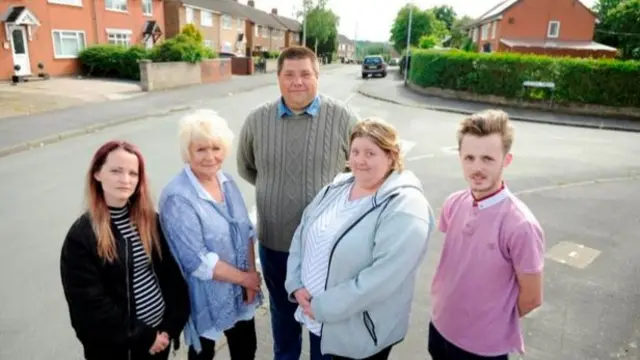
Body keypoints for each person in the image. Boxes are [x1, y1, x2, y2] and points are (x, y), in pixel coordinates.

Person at [237, 45, 359, 360]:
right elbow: (248, 168)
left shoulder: (343, 118)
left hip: (327, 248)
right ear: (278, 78)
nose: (297, 82)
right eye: (289, 74)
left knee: (323, 322)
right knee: (283, 321)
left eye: (305, 74)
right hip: (275, 244)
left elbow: (359, 172)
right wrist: (277, 190)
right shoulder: (257, 120)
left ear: (318, 76)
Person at [285, 118, 435, 360]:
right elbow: (303, 233)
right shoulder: (337, 187)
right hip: (317, 320)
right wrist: (295, 283)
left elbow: (383, 278)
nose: (360, 160)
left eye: (370, 153)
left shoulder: (406, 206)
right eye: (355, 151)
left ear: (391, 156)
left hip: (358, 334)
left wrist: (323, 307)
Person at [428, 109, 545, 360]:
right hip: (440, 328)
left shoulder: (520, 225)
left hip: (482, 349)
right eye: (469, 157)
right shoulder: (453, 202)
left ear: (507, 160)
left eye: (488, 159)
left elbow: (532, 298)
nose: (477, 167)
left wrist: (490, 320)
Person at [60, 141, 190, 360]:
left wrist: (170, 326)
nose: (125, 180)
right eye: (116, 171)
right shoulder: (82, 237)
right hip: (119, 349)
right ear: (97, 173)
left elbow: (171, 275)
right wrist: (145, 337)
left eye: (133, 173)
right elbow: (90, 307)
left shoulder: (150, 221)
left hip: (160, 338)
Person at [158, 109, 263, 360]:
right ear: (188, 152)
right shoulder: (177, 197)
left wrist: (250, 277)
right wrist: (245, 279)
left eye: (216, 148)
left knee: (246, 350)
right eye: (201, 149)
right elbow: (198, 261)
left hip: (240, 290)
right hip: (206, 297)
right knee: (203, 356)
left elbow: (246, 231)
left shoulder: (226, 181)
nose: (210, 157)